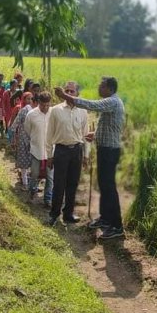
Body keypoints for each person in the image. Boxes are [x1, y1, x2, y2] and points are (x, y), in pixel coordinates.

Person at [56, 76, 125, 239]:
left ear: (109, 88)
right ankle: (105, 218)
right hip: (105, 148)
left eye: (101, 86)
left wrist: (66, 96)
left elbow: (91, 105)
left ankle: (116, 226)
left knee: (108, 187)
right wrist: (95, 134)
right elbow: (110, 126)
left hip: (109, 151)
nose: (98, 88)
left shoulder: (112, 101)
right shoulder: (112, 101)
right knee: (104, 185)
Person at [45, 82, 89, 226]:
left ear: (77, 94)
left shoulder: (83, 111)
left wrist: (86, 155)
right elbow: (49, 134)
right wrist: (49, 156)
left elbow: (86, 135)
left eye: (72, 91)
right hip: (61, 151)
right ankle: (54, 214)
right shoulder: (55, 110)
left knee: (73, 184)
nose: (69, 93)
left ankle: (68, 213)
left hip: (77, 151)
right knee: (59, 184)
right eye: (67, 90)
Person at [24, 92, 53, 205]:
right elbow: (28, 130)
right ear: (38, 103)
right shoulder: (31, 114)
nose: (45, 108)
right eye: (42, 105)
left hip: (50, 151)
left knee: (50, 177)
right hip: (36, 150)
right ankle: (32, 193)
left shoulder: (53, 113)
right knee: (34, 174)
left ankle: (47, 199)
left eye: (47, 105)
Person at [10, 92, 34, 189]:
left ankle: (31, 183)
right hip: (23, 139)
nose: (29, 101)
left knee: (32, 162)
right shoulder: (23, 110)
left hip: (32, 139)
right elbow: (14, 125)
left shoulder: (34, 111)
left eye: (31, 99)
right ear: (23, 100)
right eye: (27, 99)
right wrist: (13, 138)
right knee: (24, 162)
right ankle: (25, 183)